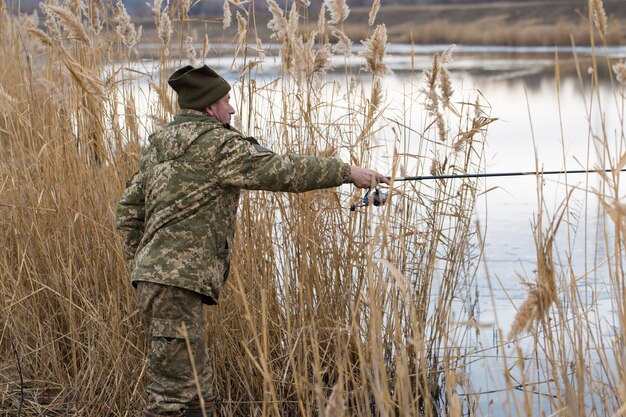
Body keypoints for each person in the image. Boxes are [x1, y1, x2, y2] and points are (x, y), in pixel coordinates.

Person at [115, 65, 389, 417]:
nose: (231, 109)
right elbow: (283, 171)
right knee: (177, 402)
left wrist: (145, 267)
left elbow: (127, 213)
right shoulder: (218, 146)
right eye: (226, 101)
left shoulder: (159, 146)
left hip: (160, 284)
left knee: (189, 394)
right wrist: (349, 172)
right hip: (173, 286)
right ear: (209, 106)